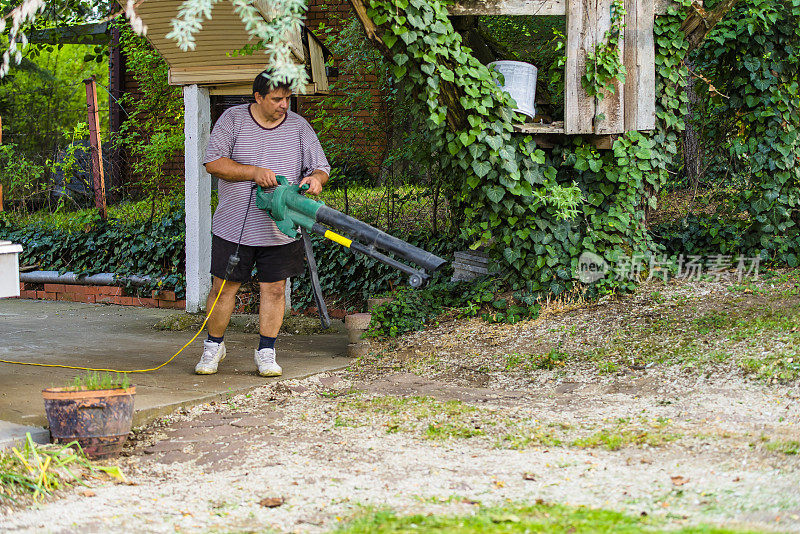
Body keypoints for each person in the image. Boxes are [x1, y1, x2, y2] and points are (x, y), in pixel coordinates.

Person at [196, 70, 330, 377]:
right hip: (234, 225)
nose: (284, 104)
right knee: (223, 288)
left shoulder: (299, 127)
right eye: (277, 99)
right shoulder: (232, 120)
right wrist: (253, 172)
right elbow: (213, 163)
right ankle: (214, 346)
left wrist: (315, 180)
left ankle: (267, 351)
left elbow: (321, 168)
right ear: (258, 97)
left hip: (281, 228)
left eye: (287, 98)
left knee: (274, 290)